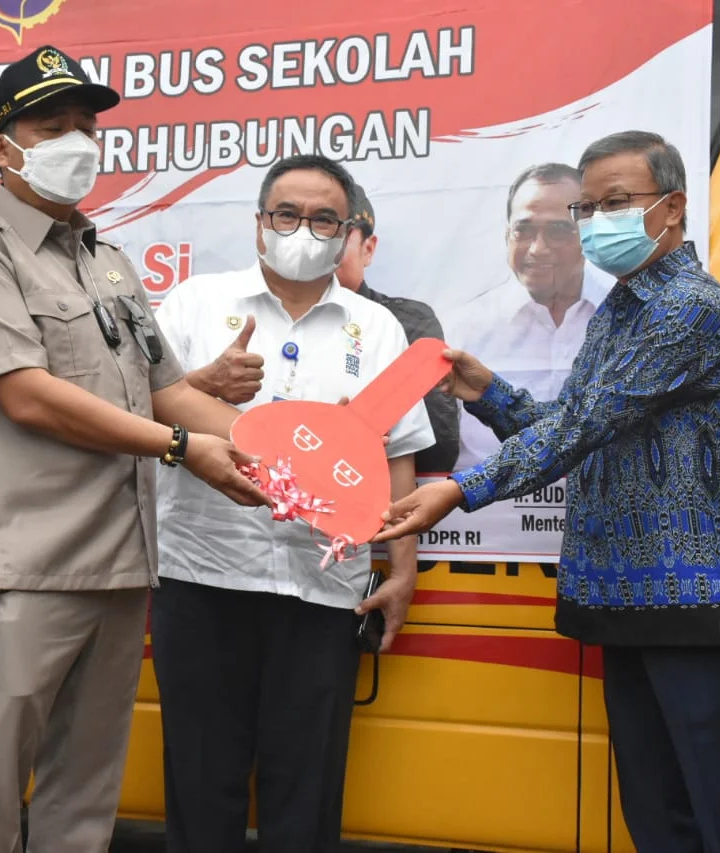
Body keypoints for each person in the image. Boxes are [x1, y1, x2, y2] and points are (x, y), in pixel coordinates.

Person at [375, 131, 720, 852]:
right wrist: (487, 391)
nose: (596, 223)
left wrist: (459, 490)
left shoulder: (690, 307)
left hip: (697, 602)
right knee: (658, 817)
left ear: (672, 207)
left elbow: (585, 422)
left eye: (615, 202)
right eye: (588, 207)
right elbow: (582, 426)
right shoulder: (621, 309)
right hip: (627, 599)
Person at [0, 45, 268, 853]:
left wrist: (283, 446)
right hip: (29, 557)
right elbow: (29, 394)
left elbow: (167, 391)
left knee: (85, 789)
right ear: (2, 145)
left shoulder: (109, 262)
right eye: (53, 126)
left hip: (120, 557)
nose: (78, 142)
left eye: (87, 126)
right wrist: (183, 448)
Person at [151, 154, 435, 853]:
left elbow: (399, 458)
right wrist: (208, 386)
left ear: (348, 234)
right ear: (259, 226)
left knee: (305, 800)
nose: (303, 229)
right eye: (287, 214)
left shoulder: (379, 329)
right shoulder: (193, 304)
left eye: (323, 218)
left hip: (324, 589)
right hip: (202, 578)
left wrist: (402, 568)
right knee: (200, 786)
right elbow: (147, 412)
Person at [447, 163, 613, 469]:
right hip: (484, 512)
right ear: (506, 236)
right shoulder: (462, 330)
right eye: (523, 231)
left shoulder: (630, 318)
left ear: (588, 235)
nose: (537, 249)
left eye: (559, 231)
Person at [335, 182, 458, 474]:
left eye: (336, 234)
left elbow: (440, 448)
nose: (318, 246)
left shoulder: (406, 322)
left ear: (368, 249)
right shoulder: (258, 317)